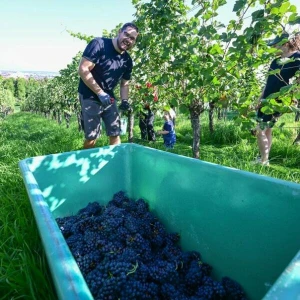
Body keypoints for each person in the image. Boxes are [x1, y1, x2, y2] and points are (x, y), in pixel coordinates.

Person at [77, 23, 139, 149]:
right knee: (92, 136)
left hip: (108, 97)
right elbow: (83, 69)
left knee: (115, 133)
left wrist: (125, 100)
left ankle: (115, 162)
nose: (128, 40)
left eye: (132, 38)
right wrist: (100, 93)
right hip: (89, 94)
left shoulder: (127, 60)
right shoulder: (99, 44)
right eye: (126, 34)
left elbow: (124, 83)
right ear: (119, 32)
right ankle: (86, 164)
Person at [254, 32, 300, 166]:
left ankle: (263, 161)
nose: (273, 47)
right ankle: (264, 158)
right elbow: (268, 82)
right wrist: (260, 97)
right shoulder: (275, 61)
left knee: (259, 130)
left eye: (275, 45)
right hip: (266, 99)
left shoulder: (297, 58)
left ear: (284, 43)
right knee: (267, 129)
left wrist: (292, 96)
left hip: (278, 100)